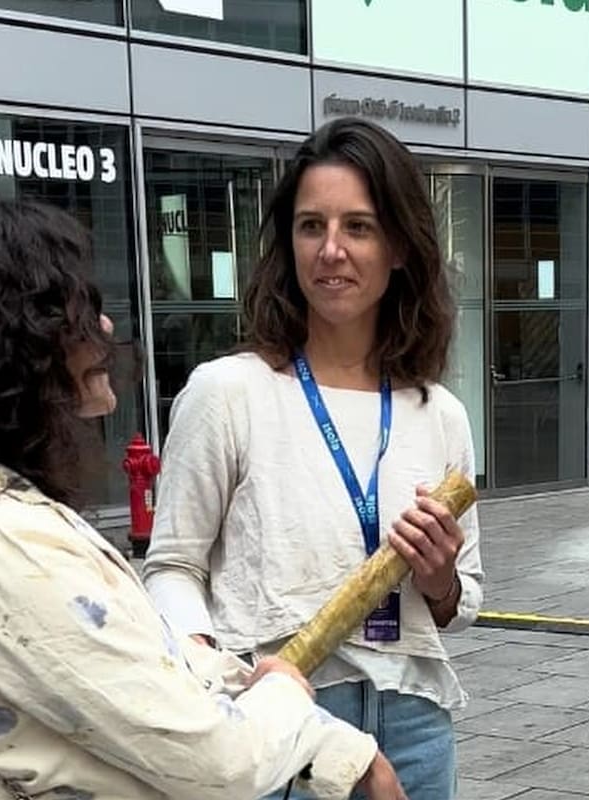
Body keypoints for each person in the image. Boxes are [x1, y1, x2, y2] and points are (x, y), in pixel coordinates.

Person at [0, 199, 404, 800]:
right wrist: (288, 694)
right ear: (4, 345)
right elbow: (215, 761)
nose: (107, 330)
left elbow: (152, 670)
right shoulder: (5, 543)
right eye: (77, 311)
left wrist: (339, 747)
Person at [142, 117, 484, 800]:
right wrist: (212, 673)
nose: (331, 250)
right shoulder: (228, 392)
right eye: (310, 226)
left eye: (358, 226)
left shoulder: (438, 411)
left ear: (399, 248)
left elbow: (460, 602)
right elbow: (171, 566)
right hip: (280, 720)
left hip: (413, 721)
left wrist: (440, 576)